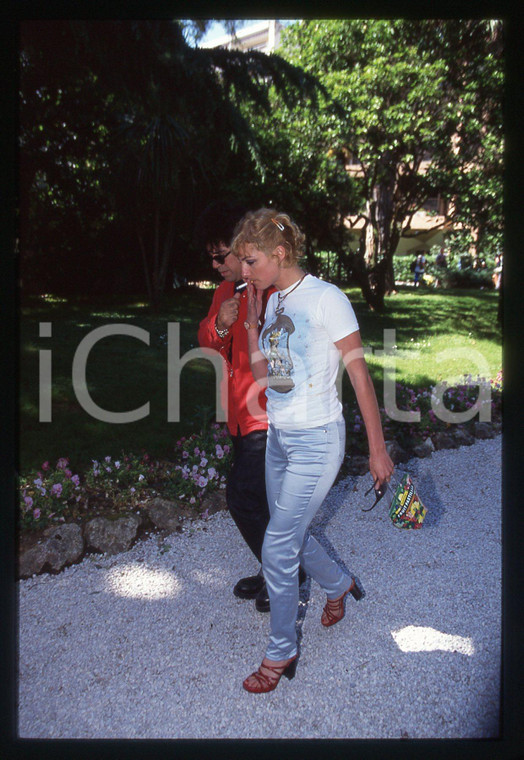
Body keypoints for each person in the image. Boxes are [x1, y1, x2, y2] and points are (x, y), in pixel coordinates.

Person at [230, 208, 394, 693]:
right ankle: (339, 585)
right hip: (280, 438)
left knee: (277, 545)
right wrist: (254, 326)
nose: (244, 270)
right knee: (292, 535)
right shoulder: (277, 303)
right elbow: (271, 381)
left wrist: (378, 450)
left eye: (250, 259)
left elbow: (360, 376)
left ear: (279, 254)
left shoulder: (327, 299)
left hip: (317, 442)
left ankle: (281, 652)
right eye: (242, 261)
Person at [196, 201, 305, 614]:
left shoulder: (273, 287)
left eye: (220, 255)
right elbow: (209, 345)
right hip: (240, 415)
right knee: (263, 501)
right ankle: (273, 568)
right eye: (213, 256)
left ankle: (287, 576)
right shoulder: (224, 292)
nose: (216, 265)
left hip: (268, 413)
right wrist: (221, 324)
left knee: (243, 498)